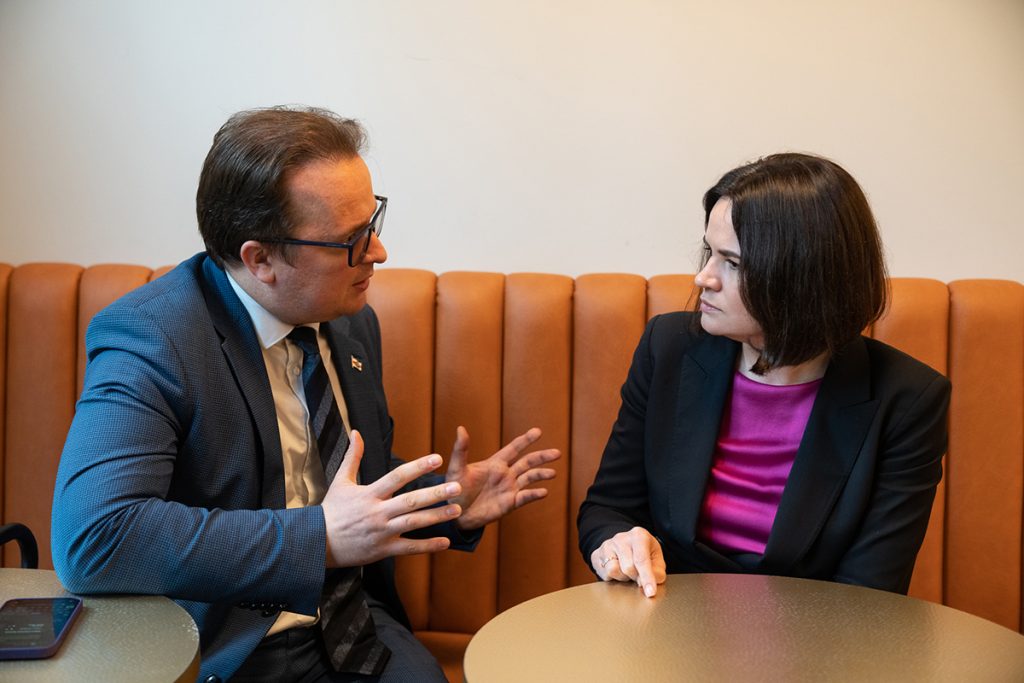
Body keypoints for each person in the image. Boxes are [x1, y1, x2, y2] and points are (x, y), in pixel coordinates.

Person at [51, 106, 560, 683]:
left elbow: (346, 488)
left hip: (355, 626)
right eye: (351, 240)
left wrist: (444, 500)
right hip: (228, 645)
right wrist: (316, 540)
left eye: (374, 222)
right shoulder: (154, 337)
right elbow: (95, 536)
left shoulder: (349, 318)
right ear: (261, 259)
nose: (378, 252)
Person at [577, 152, 950, 599]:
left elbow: (868, 594)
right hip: (665, 616)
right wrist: (615, 543)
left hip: (817, 633)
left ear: (804, 277)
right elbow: (608, 507)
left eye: (733, 263)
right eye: (710, 253)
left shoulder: (907, 399)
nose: (703, 278)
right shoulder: (668, 347)